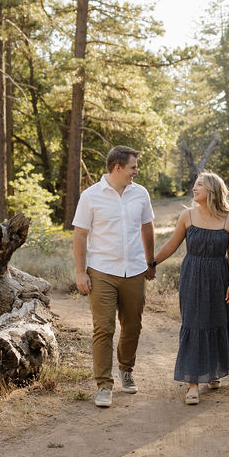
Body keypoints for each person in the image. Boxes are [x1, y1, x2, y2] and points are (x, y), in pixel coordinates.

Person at [151, 171, 229, 405]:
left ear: (212, 191)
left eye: (199, 185)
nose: (194, 189)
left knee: (216, 321)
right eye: (194, 185)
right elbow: (172, 244)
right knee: (194, 323)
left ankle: (213, 372)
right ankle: (193, 383)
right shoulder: (187, 215)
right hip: (192, 276)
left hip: (219, 277)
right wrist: (152, 263)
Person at [73, 145, 156, 408]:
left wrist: (150, 261)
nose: (136, 171)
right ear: (118, 167)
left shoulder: (140, 194)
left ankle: (126, 369)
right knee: (104, 328)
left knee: (132, 326)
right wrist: (79, 271)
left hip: (134, 270)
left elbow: (148, 227)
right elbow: (80, 235)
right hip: (102, 271)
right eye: (133, 167)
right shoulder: (91, 196)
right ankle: (104, 385)